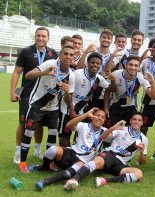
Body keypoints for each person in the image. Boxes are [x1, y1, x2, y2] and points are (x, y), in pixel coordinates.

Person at [18, 45, 76, 173]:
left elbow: (67, 100)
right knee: (29, 132)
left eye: (71, 55)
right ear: (60, 55)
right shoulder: (50, 63)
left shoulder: (71, 75)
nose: (68, 57)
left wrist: (66, 92)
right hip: (37, 103)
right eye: (66, 53)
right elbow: (28, 75)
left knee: (52, 135)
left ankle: (47, 164)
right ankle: (22, 163)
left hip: (53, 107)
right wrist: (44, 72)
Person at [63, 112, 148, 190]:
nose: (136, 122)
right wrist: (113, 128)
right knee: (98, 160)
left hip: (120, 164)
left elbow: (142, 162)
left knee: (138, 173)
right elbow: (103, 137)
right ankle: (74, 179)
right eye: (134, 119)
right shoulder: (122, 129)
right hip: (109, 155)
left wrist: (141, 153)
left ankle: (104, 180)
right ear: (130, 121)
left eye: (139, 120)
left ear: (142, 123)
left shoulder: (144, 139)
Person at [10, 27, 58, 164]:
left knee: (39, 124)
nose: (41, 38)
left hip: (43, 96)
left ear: (48, 38)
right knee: (23, 123)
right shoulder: (26, 51)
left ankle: (37, 150)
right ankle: (18, 151)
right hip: (27, 94)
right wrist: (13, 92)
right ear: (35, 36)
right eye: (38, 36)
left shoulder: (53, 53)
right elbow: (17, 72)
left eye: (44, 36)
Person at [33, 108, 109, 191]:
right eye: (98, 115)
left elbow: (117, 136)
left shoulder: (105, 132)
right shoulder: (83, 125)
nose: (100, 118)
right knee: (52, 150)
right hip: (70, 152)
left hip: (82, 161)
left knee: (70, 172)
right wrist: (86, 115)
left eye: (103, 117)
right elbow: (68, 125)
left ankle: (45, 181)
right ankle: (44, 167)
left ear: (104, 120)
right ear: (92, 117)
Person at [58, 52, 110, 147]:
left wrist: (113, 80)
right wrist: (72, 111)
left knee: (79, 134)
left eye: (98, 63)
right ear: (87, 63)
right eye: (93, 62)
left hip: (81, 111)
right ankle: (62, 159)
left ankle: (74, 154)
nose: (95, 65)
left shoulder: (99, 78)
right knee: (65, 135)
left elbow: (110, 89)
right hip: (67, 108)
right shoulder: (77, 74)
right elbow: (69, 94)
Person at [104, 56, 155, 127]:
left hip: (130, 106)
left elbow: (154, 97)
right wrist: (105, 108)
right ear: (126, 65)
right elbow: (107, 91)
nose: (133, 68)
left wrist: (152, 82)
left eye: (136, 65)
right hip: (115, 105)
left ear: (139, 68)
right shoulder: (116, 74)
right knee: (111, 129)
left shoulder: (141, 77)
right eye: (130, 64)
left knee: (134, 127)